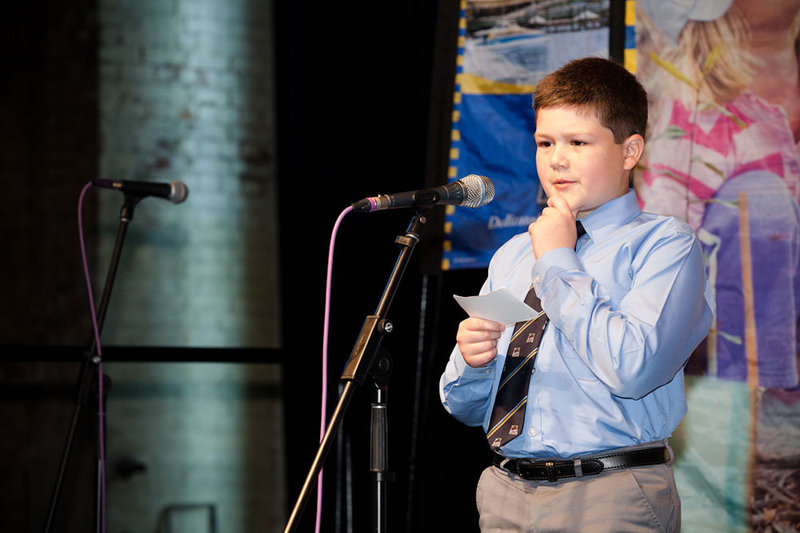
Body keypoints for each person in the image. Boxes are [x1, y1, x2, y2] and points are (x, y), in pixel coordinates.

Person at [439, 57, 714, 532]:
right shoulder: (512, 254)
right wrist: (473, 361)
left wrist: (558, 261)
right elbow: (462, 407)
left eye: (578, 142)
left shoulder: (663, 244)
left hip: (609, 492)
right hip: (506, 491)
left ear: (630, 151)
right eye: (544, 142)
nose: (556, 159)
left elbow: (634, 368)